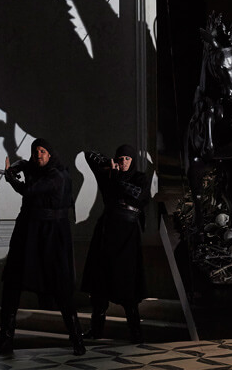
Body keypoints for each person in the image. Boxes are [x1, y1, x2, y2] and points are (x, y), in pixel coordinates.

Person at [0, 139, 84, 356]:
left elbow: (30, 190)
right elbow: (27, 168)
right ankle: (5, 341)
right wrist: (18, 166)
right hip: (28, 232)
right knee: (12, 282)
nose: (38, 155)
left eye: (42, 151)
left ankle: (77, 338)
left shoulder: (58, 175)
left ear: (50, 154)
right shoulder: (37, 168)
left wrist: (11, 177)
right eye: (35, 151)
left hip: (51, 236)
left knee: (60, 288)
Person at [81, 144, 150, 342]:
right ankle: (96, 330)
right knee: (100, 283)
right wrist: (108, 165)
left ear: (133, 160)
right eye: (120, 158)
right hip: (107, 231)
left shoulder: (140, 178)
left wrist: (117, 177)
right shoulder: (108, 175)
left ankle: (135, 332)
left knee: (127, 284)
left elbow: (137, 194)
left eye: (127, 159)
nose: (123, 162)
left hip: (127, 233)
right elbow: (88, 153)